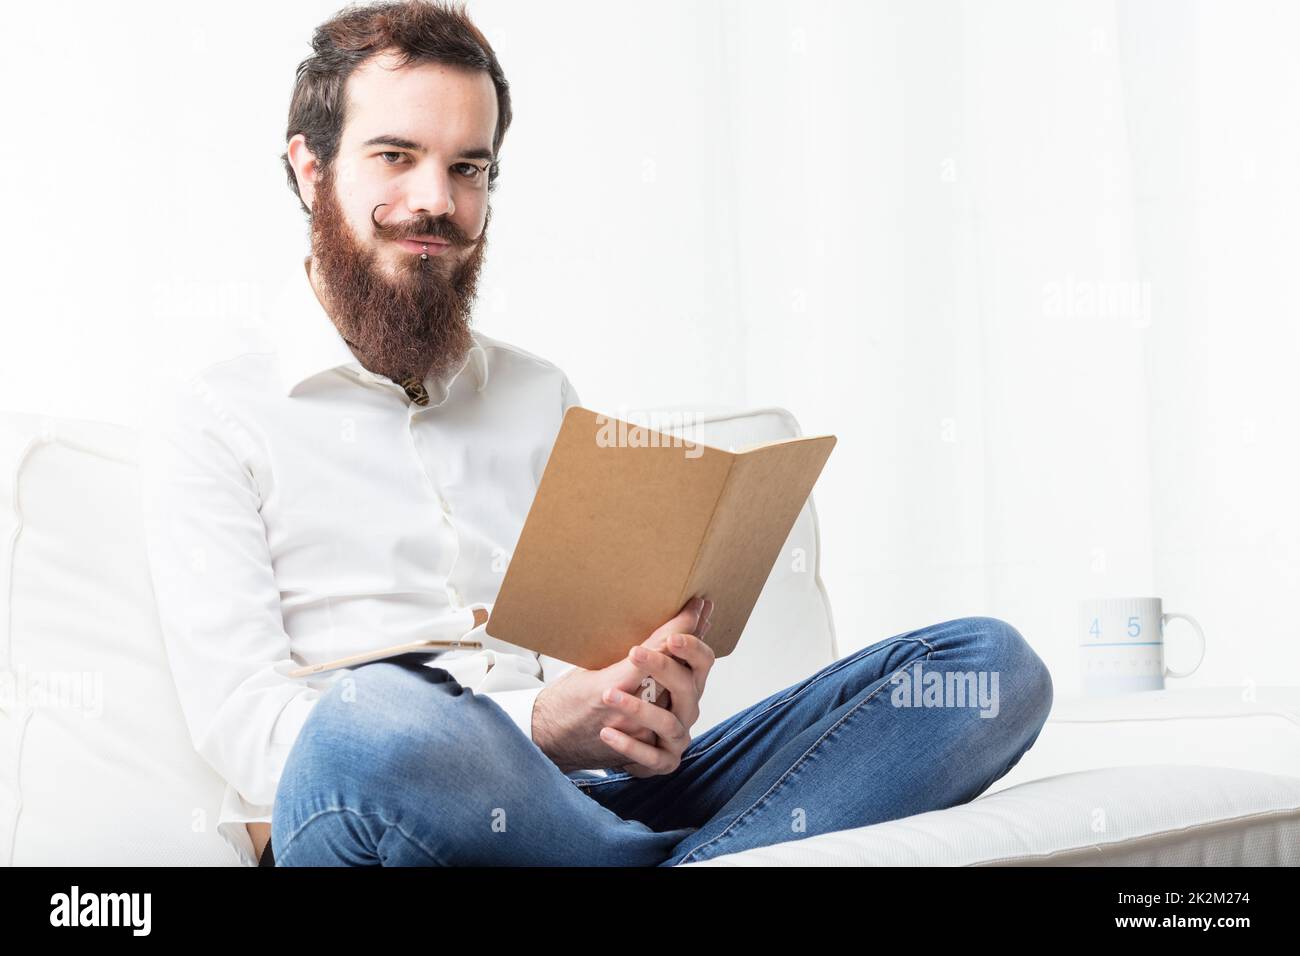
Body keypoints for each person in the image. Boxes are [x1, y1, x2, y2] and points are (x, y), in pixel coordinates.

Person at [140, 0, 1053, 868]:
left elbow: (584, 669)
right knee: (376, 710)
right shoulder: (217, 414)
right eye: (395, 156)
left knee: (984, 669)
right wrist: (534, 724)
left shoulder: (537, 394)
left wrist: (637, 695)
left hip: (579, 810)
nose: (436, 201)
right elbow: (244, 728)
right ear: (309, 168)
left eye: (469, 167)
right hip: (372, 810)